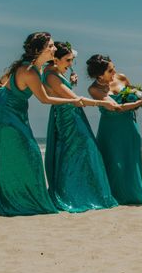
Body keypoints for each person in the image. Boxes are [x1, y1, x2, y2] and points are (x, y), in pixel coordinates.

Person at [0, 32, 92, 216]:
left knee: (12, 154)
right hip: (4, 114)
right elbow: (44, 99)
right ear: (39, 50)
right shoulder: (29, 71)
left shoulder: (32, 67)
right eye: (50, 46)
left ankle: (10, 196)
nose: (54, 49)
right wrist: (72, 100)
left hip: (10, 111)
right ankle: (20, 199)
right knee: (31, 154)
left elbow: (2, 81)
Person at [42, 41, 119, 212]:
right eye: (68, 60)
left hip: (70, 114)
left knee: (80, 152)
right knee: (77, 153)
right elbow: (77, 100)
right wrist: (101, 103)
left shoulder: (54, 72)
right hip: (68, 117)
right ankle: (74, 195)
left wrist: (71, 82)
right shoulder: (51, 76)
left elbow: (64, 94)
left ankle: (82, 191)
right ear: (55, 59)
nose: (70, 64)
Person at [87, 54, 142, 205]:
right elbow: (115, 108)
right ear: (99, 74)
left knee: (132, 158)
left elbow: (133, 93)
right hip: (110, 128)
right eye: (110, 70)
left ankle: (134, 194)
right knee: (113, 161)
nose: (114, 72)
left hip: (129, 124)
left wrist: (138, 96)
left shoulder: (121, 77)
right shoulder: (94, 89)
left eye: (113, 68)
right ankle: (115, 195)